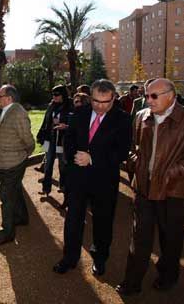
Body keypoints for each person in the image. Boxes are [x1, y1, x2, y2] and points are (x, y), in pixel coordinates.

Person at [116, 78, 184, 296]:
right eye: (146, 95)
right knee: (139, 238)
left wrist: (175, 171)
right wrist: (134, 161)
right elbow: (134, 146)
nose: (147, 100)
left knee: (171, 239)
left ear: (171, 96)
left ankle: (168, 275)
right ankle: (131, 282)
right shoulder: (142, 116)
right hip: (143, 188)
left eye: (153, 96)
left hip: (173, 190)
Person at [53, 79, 131, 277]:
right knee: (72, 220)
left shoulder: (123, 119)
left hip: (104, 180)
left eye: (105, 102)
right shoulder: (80, 113)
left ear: (113, 98)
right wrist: (72, 157)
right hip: (78, 178)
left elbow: (122, 151)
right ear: (91, 97)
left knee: (103, 222)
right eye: (96, 101)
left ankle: (100, 258)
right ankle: (69, 258)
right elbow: (69, 139)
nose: (100, 106)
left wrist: (92, 158)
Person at [0, 85, 35, 245]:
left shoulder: (18, 113)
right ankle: (21, 218)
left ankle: (6, 233)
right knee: (15, 190)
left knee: (6, 197)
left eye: (0, 96)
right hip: (7, 161)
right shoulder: (9, 110)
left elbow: (27, 139)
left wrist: (25, 153)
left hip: (13, 162)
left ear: (9, 98)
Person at [36, 85, 73, 196]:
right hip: (49, 138)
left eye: (57, 94)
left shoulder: (70, 105)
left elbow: (74, 122)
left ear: (63, 95)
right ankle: (46, 188)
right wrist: (41, 134)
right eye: (53, 94)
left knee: (62, 164)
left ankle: (64, 186)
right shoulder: (51, 105)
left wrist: (66, 126)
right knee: (48, 163)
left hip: (61, 139)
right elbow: (46, 120)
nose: (54, 97)